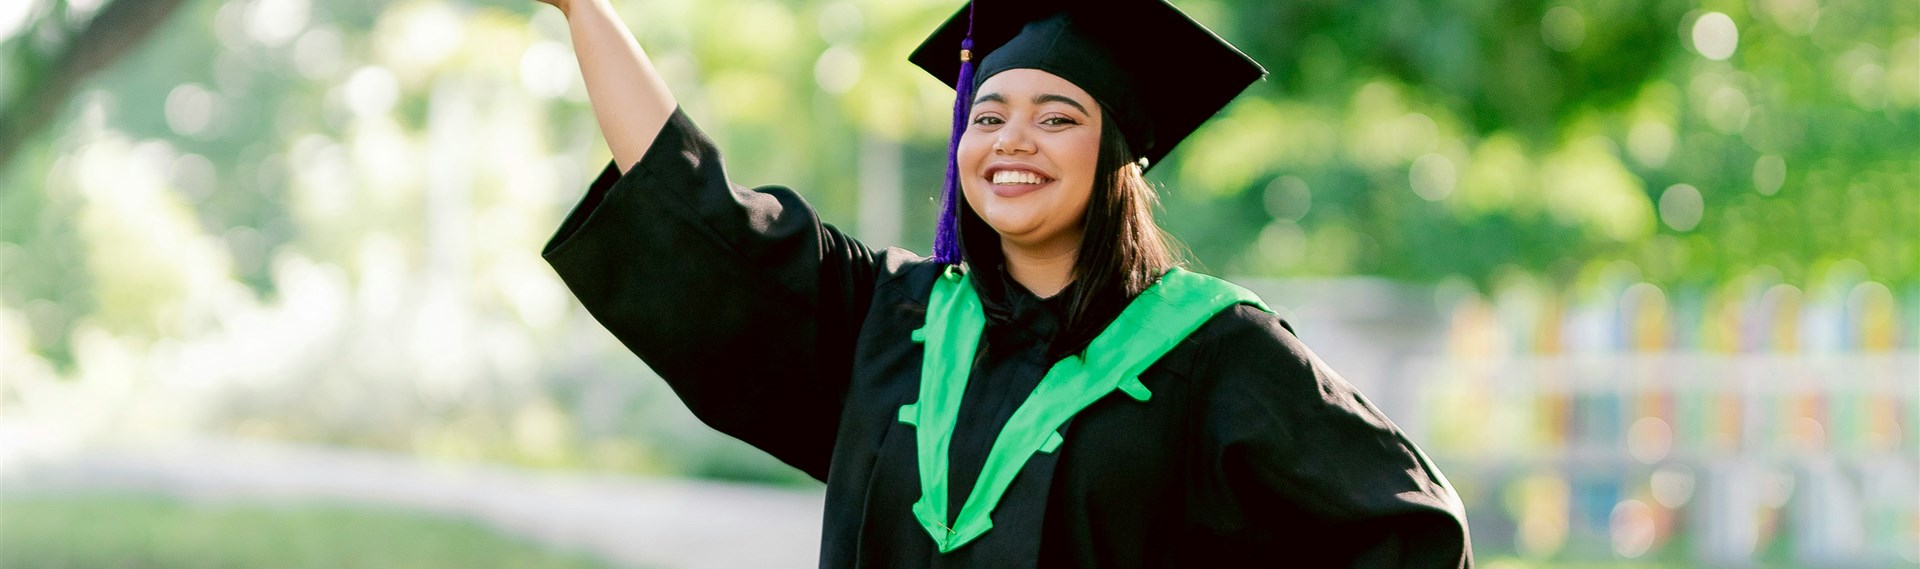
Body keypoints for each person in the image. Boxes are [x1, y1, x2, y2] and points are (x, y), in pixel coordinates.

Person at [533, 0, 1473, 565]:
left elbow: (1408, 542)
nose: (1012, 141)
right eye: (988, 116)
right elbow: (699, 215)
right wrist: (586, 10)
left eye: (1057, 116)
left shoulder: (1216, 354)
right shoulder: (893, 324)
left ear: (1118, 155)